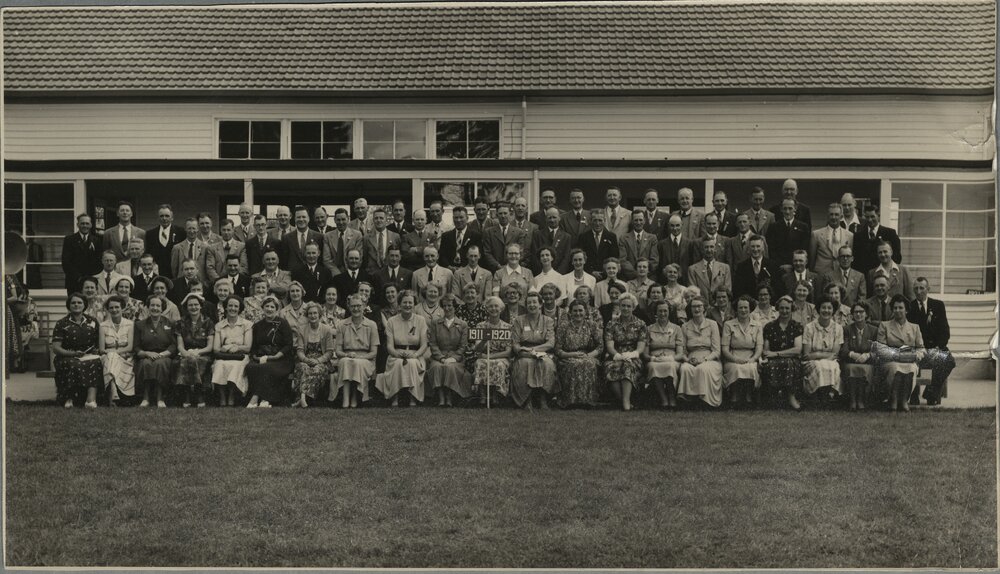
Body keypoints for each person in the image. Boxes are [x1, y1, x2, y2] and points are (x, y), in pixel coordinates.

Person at [376, 290, 429, 407]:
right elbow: (389, 345)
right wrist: (396, 353)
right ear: (399, 304)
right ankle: (394, 398)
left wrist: (415, 355)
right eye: (404, 302)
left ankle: (413, 399)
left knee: (412, 363)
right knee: (398, 364)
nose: (407, 305)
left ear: (414, 305)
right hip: (396, 354)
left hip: (415, 354)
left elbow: (424, 345)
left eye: (410, 303)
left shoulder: (420, 320)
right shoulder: (391, 321)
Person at [907, 277, 954, 406]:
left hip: (935, 346)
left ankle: (931, 392)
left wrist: (938, 347)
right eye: (916, 288)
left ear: (928, 289)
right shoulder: (909, 307)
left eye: (922, 288)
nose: (918, 291)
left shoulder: (938, 305)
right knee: (912, 361)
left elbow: (945, 330)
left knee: (948, 360)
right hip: (917, 348)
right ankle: (913, 394)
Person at [53, 293, 104, 408]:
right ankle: (69, 398)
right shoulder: (61, 323)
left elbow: (98, 342)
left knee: (95, 362)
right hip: (67, 355)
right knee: (72, 363)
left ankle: (90, 400)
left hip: (88, 355)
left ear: (84, 305)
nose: (76, 305)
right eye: (73, 303)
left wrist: (96, 350)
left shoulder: (93, 321)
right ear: (69, 305)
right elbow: (56, 347)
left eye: (79, 302)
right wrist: (72, 353)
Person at [877, 294, 925, 412]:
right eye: (895, 308)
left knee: (911, 368)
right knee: (894, 367)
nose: (897, 310)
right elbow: (881, 349)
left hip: (909, 360)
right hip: (890, 361)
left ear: (906, 310)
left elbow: (921, 348)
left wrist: (917, 355)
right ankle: (893, 400)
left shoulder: (914, 328)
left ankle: (904, 400)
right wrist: (898, 355)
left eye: (900, 308)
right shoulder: (885, 326)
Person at [510, 291, 558, 409]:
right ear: (526, 305)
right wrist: (521, 350)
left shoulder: (548, 321)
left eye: (534, 302)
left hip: (542, 352)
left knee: (546, 364)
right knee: (524, 364)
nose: (532, 305)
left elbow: (551, 343)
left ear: (540, 304)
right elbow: (515, 343)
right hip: (523, 354)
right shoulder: (518, 320)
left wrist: (533, 350)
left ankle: (543, 398)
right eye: (529, 303)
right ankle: (527, 399)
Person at [244, 295, 293, 408]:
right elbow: (254, 346)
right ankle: (264, 400)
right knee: (251, 367)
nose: (269, 309)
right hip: (261, 357)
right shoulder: (257, 326)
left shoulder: (283, 323)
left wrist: (275, 357)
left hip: (281, 358)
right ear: (263, 308)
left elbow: (288, 345)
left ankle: (256, 397)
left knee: (267, 368)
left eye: (272, 307)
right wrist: (256, 357)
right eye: (267, 306)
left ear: (277, 309)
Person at [554, 299, 604, 408]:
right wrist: (572, 355)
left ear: (585, 312)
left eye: (580, 310)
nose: (578, 313)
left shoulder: (592, 325)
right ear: (570, 312)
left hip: (588, 355)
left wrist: (589, 355)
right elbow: (557, 350)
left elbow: (600, 346)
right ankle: (570, 401)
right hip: (567, 356)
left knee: (589, 363)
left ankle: (588, 401)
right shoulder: (563, 327)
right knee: (574, 364)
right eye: (575, 311)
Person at [333, 294, 380, 408]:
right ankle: (346, 399)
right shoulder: (342, 325)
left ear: (364, 306)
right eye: (353, 306)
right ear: (349, 307)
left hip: (366, 359)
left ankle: (354, 397)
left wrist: (361, 357)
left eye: (359, 306)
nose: (356, 309)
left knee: (356, 363)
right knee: (345, 362)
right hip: (347, 356)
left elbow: (374, 352)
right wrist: (347, 354)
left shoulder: (371, 325)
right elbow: (338, 351)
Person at [603, 292, 647, 411]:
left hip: (633, 356)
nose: (626, 308)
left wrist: (632, 354)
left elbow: (641, 347)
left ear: (633, 307)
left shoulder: (641, 324)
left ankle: (626, 402)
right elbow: (609, 345)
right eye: (623, 306)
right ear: (619, 306)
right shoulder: (612, 324)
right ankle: (622, 399)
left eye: (629, 306)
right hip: (615, 355)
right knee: (613, 367)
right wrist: (617, 355)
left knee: (628, 366)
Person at [676, 296, 723, 408]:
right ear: (690, 309)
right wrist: (688, 360)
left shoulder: (712, 324)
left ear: (704, 308)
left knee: (703, 368)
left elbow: (717, 351)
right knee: (685, 368)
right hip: (691, 358)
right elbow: (682, 350)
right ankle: (688, 401)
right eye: (693, 307)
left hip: (710, 358)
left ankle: (705, 401)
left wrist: (704, 359)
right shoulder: (685, 326)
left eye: (699, 306)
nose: (696, 309)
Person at [427, 294, 473, 407]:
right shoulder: (435, 323)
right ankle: (441, 397)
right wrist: (441, 358)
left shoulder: (462, 324)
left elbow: (463, 346)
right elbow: (433, 344)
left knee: (450, 367)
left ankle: (449, 397)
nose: (447, 308)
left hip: (455, 358)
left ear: (455, 307)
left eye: (450, 306)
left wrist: (454, 358)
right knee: (437, 367)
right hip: (439, 356)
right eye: (445, 306)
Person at [761, 296, 804, 410]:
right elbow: (766, 350)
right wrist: (773, 355)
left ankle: (791, 397)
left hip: (791, 359)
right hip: (773, 360)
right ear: (777, 309)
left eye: (787, 308)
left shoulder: (796, 326)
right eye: (782, 308)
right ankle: (774, 397)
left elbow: (797, 349)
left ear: (791, 309)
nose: (784, 311)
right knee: (771, 365)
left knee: (790, 363)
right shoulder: (769, 327)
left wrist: (777, 354)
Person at [134, 294, 176, 408]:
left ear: (162, 308)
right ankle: (145, 398)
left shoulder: (170, 323)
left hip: (164, 356)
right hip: (146, 355)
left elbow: (174, 345)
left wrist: (162, 354)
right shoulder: (139, 325)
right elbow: (136, 347)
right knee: (146, 364)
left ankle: (160, 398)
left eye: (158, 306)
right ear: (148, 307)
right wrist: (147, 353)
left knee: (160, 364)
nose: (155, 308)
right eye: (152, 305)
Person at [290, 302, 335, 408]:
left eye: (315, 313)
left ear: (319, 314)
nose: (313, 316)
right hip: (306, 359)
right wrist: (305, 359)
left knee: (317, 369)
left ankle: (301, 397)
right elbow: (300, 350)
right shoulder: (302, 329)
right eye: (310, 313)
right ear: (307, 315)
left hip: (321, 361)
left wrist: (318, 360)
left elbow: (329, 351)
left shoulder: (326, 329)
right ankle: (303, 398)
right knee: (302, 367)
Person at [721, 295, 763, 407]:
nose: (743, 310)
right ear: (736, 309)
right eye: (740, 308)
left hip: (751, 356)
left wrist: (753, 359)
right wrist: (735, 359)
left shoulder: (757, 325)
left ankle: (748, 397)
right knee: (736, 368)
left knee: (751, 368)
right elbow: (724, 349)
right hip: (733, 356)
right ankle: (734, 397)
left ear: (750, 309)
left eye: (746, 308)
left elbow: (759, 347)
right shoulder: (728, 325)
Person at [174, 293, 215, 407]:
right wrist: (187, 354)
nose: (193, 307)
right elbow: (180, 345)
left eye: (196, 305)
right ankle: (195, 394)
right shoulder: (180, 322)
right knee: (187, 360)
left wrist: (197, 352)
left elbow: (210, 346)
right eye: (190, 305)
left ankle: (193, 394)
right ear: (186, 307)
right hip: (185, 354)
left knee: (194, 360)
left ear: (201, 306)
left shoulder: (208, 322)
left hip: (203, 354)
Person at [212, 295, 253, 407]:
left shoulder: (247, 324)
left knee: (236, 366)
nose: (233, 308)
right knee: (219, 365)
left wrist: (237, 348)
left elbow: (248, 347)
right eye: (230, 305)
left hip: (240, 357)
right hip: (223, 356)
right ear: (225, 307)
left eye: (236, 306)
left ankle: (231, 395)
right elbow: (216, 348)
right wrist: (228, 348)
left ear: (239, 309)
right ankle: (222, 396)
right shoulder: (219, 325)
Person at [801, 296, 844, 401]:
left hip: (830, 361)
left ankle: (829, 396)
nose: (826, 310)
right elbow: (807, 354)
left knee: (833, 366)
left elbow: (835, 354)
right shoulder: (809, 327)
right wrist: (820, 356)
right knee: (820, 366)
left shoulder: (838, 328)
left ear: (833, 310)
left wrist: (816, 354)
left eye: (829, 308)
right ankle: (818, 396)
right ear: (818, 309)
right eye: (823, 307)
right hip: (810, 363)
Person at [644, 300, 685, 408]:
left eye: (665, 311)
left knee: (670, 366)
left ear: (669, 312)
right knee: (653, 367)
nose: (662, 314)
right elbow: (645, 354)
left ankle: (671, 395)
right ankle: (663, 397)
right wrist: (653, 358)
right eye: (660, 311)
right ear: (655, 313)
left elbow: (680, 354)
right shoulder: (649, 329)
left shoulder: (677, 328)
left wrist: (670, 359)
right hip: (654, 360)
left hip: (672, 359)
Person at [473, 297, 513, 404]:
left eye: (496, 306)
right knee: (480, 363)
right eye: (490, 306)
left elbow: (508, 352)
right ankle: (482, 395)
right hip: (483, 356)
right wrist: (484, 341)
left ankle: (496, 395)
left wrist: (490, 357)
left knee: (498, 365)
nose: (493, 308)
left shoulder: (508, 327)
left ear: (501, 309)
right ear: (486, 309)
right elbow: (477, 349)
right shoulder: (480, 326)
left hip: (501, 358)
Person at [840, 301, 878, 411]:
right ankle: (852, 400)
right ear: (852, 314)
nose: (858, 314)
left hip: (867, 362)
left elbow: (877, 350)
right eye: (855, 312)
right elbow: (844, 349)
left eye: (861, 312)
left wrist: (867, 355)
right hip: (851, 362)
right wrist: (852, 354)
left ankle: (861, 400)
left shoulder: (873, 330)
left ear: (866, 314)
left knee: (865, 369)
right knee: (852, 368)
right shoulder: (846, 329)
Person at [99, 295, 135, 405]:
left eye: (117, 307)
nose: (114, 310)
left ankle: (112, 391)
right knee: (111, 357)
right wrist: (113, 354)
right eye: (111, 308)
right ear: (108, 310)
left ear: (122, 308)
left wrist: (115, 352)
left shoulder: (130, 324)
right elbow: (101, 349)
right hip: (107, 358)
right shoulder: (103, 326)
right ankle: (114, 390)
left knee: (112, 356)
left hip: (126, 357)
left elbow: (130, 347)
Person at [853, 203, 902, 273]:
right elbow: (856, 260)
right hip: (865, 277)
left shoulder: (890, 233)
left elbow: (897, 257)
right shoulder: (858, 236)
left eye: (872, 216)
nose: (870, 220)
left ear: (878, 216)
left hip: (885, 275)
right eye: (867, 217)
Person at [62, 213, 103, 293]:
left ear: (91, 225)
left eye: (87, 223)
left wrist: (91, 278)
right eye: (82, 223)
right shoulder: (69, 240)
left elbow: (100, 261)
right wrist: (79, 278)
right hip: (74, 281)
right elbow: (66, 262)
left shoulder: (97, 240)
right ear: (78, 225)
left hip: (91, 283)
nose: (85, 226)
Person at [809, 203, 853, 277]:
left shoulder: (849, 235)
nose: (833, 217)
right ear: (827, 216)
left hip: (840, 275)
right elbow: (812, 259)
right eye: (831, 214)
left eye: (836, 214)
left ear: (841, 216)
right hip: (821, 275)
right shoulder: (816, 234)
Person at [766, 198, 811, 269]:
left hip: (797, 266)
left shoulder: (803, 227)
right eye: (785, 208)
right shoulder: (774, 227)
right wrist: (781, 265)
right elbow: (772, 250)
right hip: (778, 267)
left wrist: (792, 265)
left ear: (795, 209)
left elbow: (804, 248)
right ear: (781, 209)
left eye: (790, 208)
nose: (787, 212)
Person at [577, 210, 619, 281]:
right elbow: (581, 257)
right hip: (588, 275)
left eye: (600, 220)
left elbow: (614, 257)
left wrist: (605, 271)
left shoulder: (611, 237)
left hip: (606, 275)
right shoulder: (583, 237)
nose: (597, 223)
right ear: (590, 221)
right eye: (595, 220)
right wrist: (591, 272)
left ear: (604, 221)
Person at [619, 212, 659, 280]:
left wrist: (644, 273)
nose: (638, 222)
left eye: (640, 220)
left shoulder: (652, 238)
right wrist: (636, 274)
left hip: (648, 277)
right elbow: (623, 260)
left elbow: (654, 260)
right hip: (629, 278)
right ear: (632, 221)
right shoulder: (624, 238)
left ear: (644, 221)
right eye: (636, 220)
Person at [656, 215, 695, 284]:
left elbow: (692, 264)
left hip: (685, 282)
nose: (675, 228)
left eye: (677, 225)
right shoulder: (661, 244)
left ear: (682, 225)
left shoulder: (690, 244)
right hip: (666, 282)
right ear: (668, 226)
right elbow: (659, 267)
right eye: (672, 225)